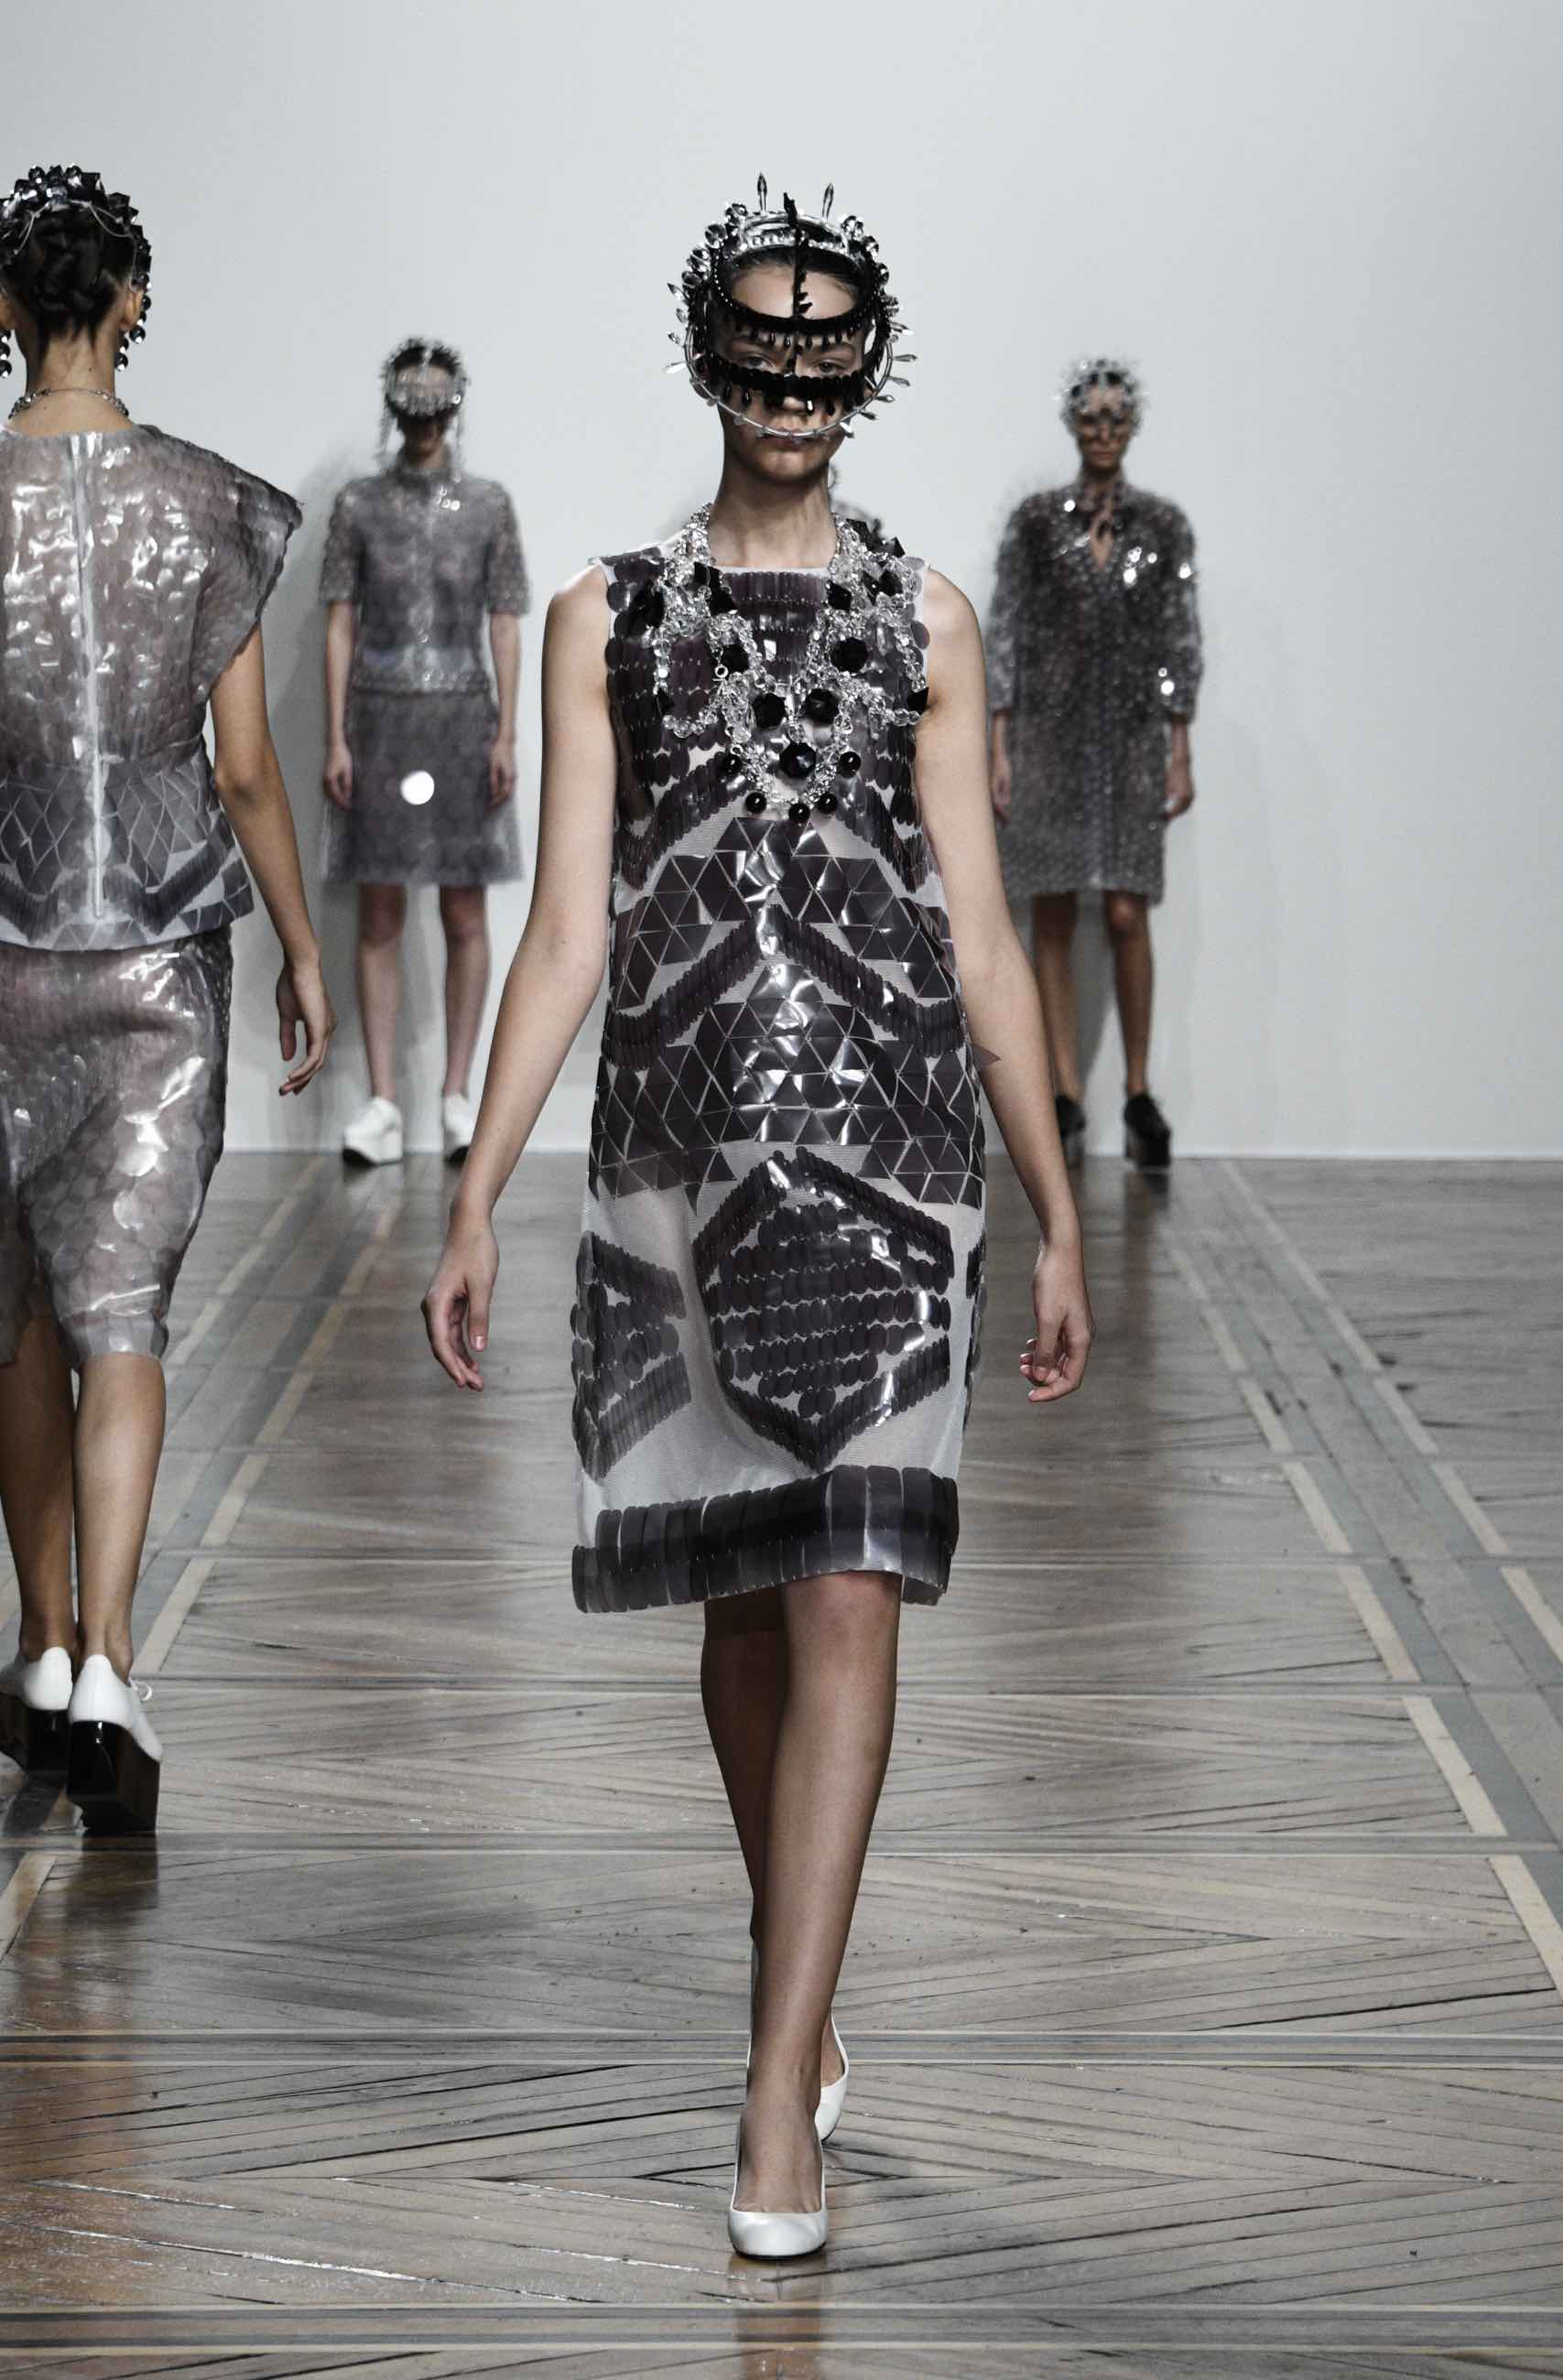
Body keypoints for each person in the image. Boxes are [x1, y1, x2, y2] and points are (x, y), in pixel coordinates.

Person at [421, 182, 1092, 2256]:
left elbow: (978, 936)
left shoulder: (928, 623)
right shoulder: (605, 614)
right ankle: (792, 1975)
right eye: (761, 347)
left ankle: (771, 2082)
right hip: (676, 1168)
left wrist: (1056, 1207)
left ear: (863, 369)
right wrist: (471, 1192)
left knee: (847, 1591)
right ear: (710, 358)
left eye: (826, 350)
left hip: (895, 1168)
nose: (792, 387)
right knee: (736, 1609)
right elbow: (564, 933)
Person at [0, 165, 333, 1830]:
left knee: (16, 1317)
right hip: (158, 956)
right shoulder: (211, 506)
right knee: (119, 1315)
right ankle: (115, 1661)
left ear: (6, 307)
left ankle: (41, 1643)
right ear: (132, 299)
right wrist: (306, 952)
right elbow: (248, 769)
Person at [986, 358, 1202, 1171]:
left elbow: (1179, 634)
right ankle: (1065, 1090)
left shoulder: (1165, 526)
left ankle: (1139, 1088)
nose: (1103, 431)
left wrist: (1180, 743)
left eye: (1116, 418)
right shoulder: (1037, 523)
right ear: (1073, 424)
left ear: (1133, 425)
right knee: (1049, 909)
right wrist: (999, 740)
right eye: (1090, 417)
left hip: (1133, 734)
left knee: (1124, 909)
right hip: (1048, 732)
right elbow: (1007, 626)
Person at [321, 341, 529, 1165]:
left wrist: (506, 731)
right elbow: (340, 620)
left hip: (462, 719)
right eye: (412, 410)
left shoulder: (488, 505)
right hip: (377, 719)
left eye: (437, 409)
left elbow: (505, 621)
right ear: (394, 411)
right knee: (379, 910)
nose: (425, 423)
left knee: (464, 911)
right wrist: (334, 735)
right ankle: (382, 1103)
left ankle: (456, 1097)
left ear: (455, 408)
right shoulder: (357, 505)